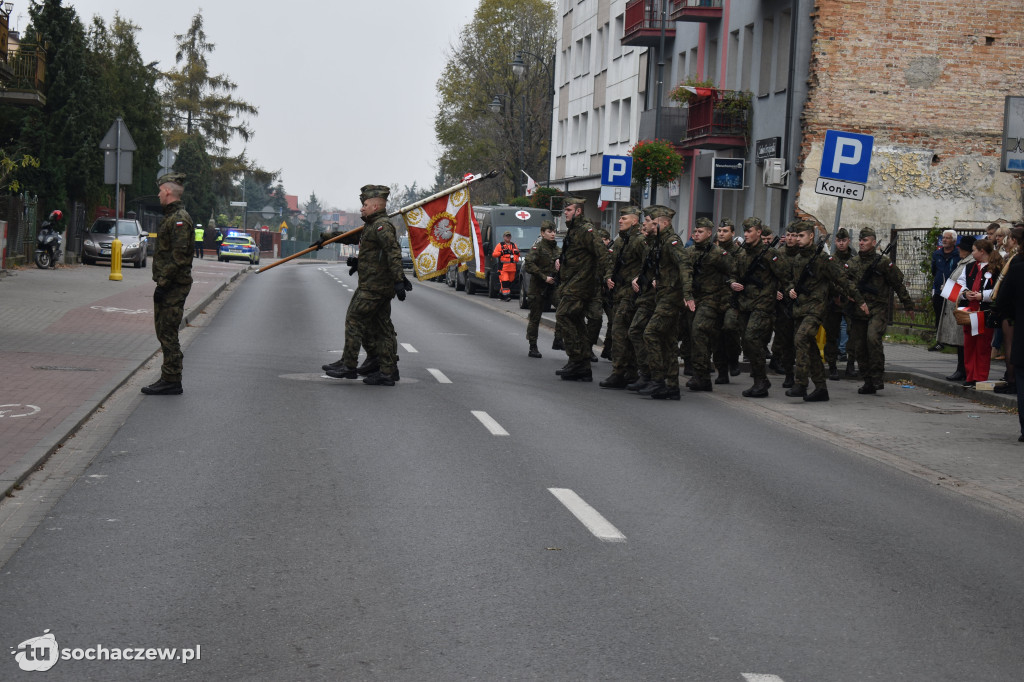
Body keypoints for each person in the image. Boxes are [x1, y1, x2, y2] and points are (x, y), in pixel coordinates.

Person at [316, 184, 407, 386]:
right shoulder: (372, 225)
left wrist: (399, 280)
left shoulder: (382, 226)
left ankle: (348, 365)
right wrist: (325, 239)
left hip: (374, 287)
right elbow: (355, 239)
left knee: (354, 319)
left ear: (375, 206)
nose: (361, 208)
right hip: (376, 284)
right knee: (382, 327)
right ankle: (386, 369)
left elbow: (393, 252)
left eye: (365, 205)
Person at [784, 220, 867, 402]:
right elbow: (789, 279)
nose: (797, 239)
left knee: (801, 338)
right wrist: (790, 289)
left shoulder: (823, 259)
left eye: (801, 236)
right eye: (796, 236)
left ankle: (801, 383)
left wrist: (859, 300)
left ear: (811, 236)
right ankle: (821, 388)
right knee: (811, 348)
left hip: (816, 308)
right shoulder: (797, 259)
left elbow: (843, 279)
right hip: (800, 307)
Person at [142, 172, 194, 396]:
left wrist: (162, 284)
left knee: (168, 331)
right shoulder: (172, 217)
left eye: (160, 191)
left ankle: (172, 379)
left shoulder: (180, 219)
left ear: (168, 191)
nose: (158, 195)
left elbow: (179, 256)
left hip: (174, 285)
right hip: (169, 284)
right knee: (164, 331)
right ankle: (169, 376)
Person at [846, 227, 915, 395]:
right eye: (860, 240)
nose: (861, 243)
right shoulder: (853, 263)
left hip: (878, 308)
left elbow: (898, 283)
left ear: (874, 242)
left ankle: (877, 377)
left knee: (873, 338)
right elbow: (843, 282)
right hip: (858, 310)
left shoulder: (883, 263)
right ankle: (867, 381)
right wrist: (848, 295)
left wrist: (908, 305)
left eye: (866, 240)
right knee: (859, 347)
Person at [553, 196, 613, 382]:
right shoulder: (574, 230)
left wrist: (607, 276)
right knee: (576, 319)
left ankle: (577, 358)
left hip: (581, 283)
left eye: (569, 210)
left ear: (578, 211)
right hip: (572, 282)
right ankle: (582, 365)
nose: (566, 213)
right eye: (565, 210)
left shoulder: (587, 230)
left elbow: (602, 254)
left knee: (563, 315)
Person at [729, 216, 790, 397]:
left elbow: (785, 276)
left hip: (763, 304)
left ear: (759, 232)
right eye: (745, 231)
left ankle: (761, 381)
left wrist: (784, 294)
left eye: (749, 231)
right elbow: (732, 275)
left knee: (751, 338)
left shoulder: (770, 254)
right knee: (747, 344)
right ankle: (760, 379)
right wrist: (733, 283)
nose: (746, 234)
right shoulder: (741, 254)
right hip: (744, 304)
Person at [638, 205, 690, 400]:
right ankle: (672, 386)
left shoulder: (672, 241)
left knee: (650, 333)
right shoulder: (660, 241)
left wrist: (688, 294)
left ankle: (658, 380)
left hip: (671, 297)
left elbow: (685, 265)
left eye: (653, 222)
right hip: (663, 295)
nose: (649, 224)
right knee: (668, 341)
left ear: (665, 223)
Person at [685, 217, 736, 392]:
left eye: (700, 232)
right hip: (694, 299)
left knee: (699, 331)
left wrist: (725, 294)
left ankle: (702, 376)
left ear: (708, 233)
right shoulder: (690, 252)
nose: (696, 234)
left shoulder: (717, 254)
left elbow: (733, 272)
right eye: (695, 231)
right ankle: (700, 373)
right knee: (695, 336)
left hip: (711, 300)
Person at [600, 206, 644, 388]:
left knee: (619, 332)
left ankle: (620, 372)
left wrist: (638, 278)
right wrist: (608, 277)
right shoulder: (620, 240)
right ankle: (629, 371)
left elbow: (647, 264)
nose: (620, 220)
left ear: (634, 221)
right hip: (618, 293)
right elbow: (611, 262)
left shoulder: (639, 240)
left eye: (624, 218)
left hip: (630, 294)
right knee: (623, 333)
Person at [957, 238, 1002, 388]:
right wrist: (965, 293)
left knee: (982, 345)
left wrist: (982, 296)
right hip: (969, 312)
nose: (972, 252)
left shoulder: (995, 268)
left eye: (974, 250)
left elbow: (998, 289)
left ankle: (980, 376)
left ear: (982, 251)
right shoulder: (970, 266)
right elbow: (961, 283)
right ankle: (970, 375)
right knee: (969, 344)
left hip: (984, 312)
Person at [993, 244, 1024, 441]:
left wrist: (1013, 316)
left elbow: (1002, 298)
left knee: (1022, 379)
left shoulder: (1017, 268)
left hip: (1022, 333)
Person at [936, 235, 976, 382]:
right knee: (961, 342)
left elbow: (967, 286)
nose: (958, 249)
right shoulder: (964, 262)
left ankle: (963, 370)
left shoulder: (970, 263)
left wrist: (948, 289)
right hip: (958, 304)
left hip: (964, 306)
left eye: (961, 247)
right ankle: (961, 369)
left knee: (963, 341)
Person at [993, 226, 1023, 393]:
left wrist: (999, 307)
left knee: (1010, 344)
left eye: (1008, 238)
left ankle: (1012, 380)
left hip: (1011, 311)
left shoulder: (1015, 260)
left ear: (1014, 240)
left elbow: (1005, 286)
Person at [523, 220, 560, 358]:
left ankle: (558, 338)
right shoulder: (537, 248)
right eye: (549, 232)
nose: (552, 234)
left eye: (554, 231)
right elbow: (529, 264)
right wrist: (543, 277)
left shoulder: (557, 249)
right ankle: (533, 346)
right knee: (535, 318)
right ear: (542, 233)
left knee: (563, 310)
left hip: (553, 287)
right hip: (538, 287)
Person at [823, 227, 855, 379]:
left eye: (844, 241)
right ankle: (832, 367)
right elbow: (828, 280)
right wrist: (837, 294)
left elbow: (856, 280)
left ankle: (850, 365)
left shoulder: (855, 259)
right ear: (835, 242)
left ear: (848, 241)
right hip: (834, 303)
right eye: (839, 241)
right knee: (832, 335)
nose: (841, 244)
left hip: (850, 302)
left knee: (852, 333)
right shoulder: (831, 259)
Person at [714, 218, 743, 381]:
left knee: (730, 328)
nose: (722, 233)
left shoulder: (739, 253)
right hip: (713, 298)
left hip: (732, 299)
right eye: (719, 231)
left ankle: (733, 359)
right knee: (716, 336)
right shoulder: (711, 250)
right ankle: (722, 371)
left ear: (732, 233)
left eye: (725, 231)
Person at [928, 229, 960, 351]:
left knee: (952, 314)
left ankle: (953, 341)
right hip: (939, 288)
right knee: (939, 314)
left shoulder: (957, 254)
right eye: (944, 238)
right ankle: (940, 341)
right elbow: (934, 270)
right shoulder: (937, 254)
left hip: (953, 288)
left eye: (947, 238)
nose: (944, 240)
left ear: (954, 241)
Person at [492, 230, 520, 302]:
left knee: (510, 281)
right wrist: (502, 252)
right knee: (505, 281)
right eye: (506, 236)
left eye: (509, 236)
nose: (508, 237)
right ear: (504, 237)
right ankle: (506, 296)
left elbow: (517, 255)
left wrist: (517, 252)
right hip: (503, 268)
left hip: (512, 268)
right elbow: (494, 254)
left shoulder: (514, 245)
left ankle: (501, 294)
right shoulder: (500, 245)